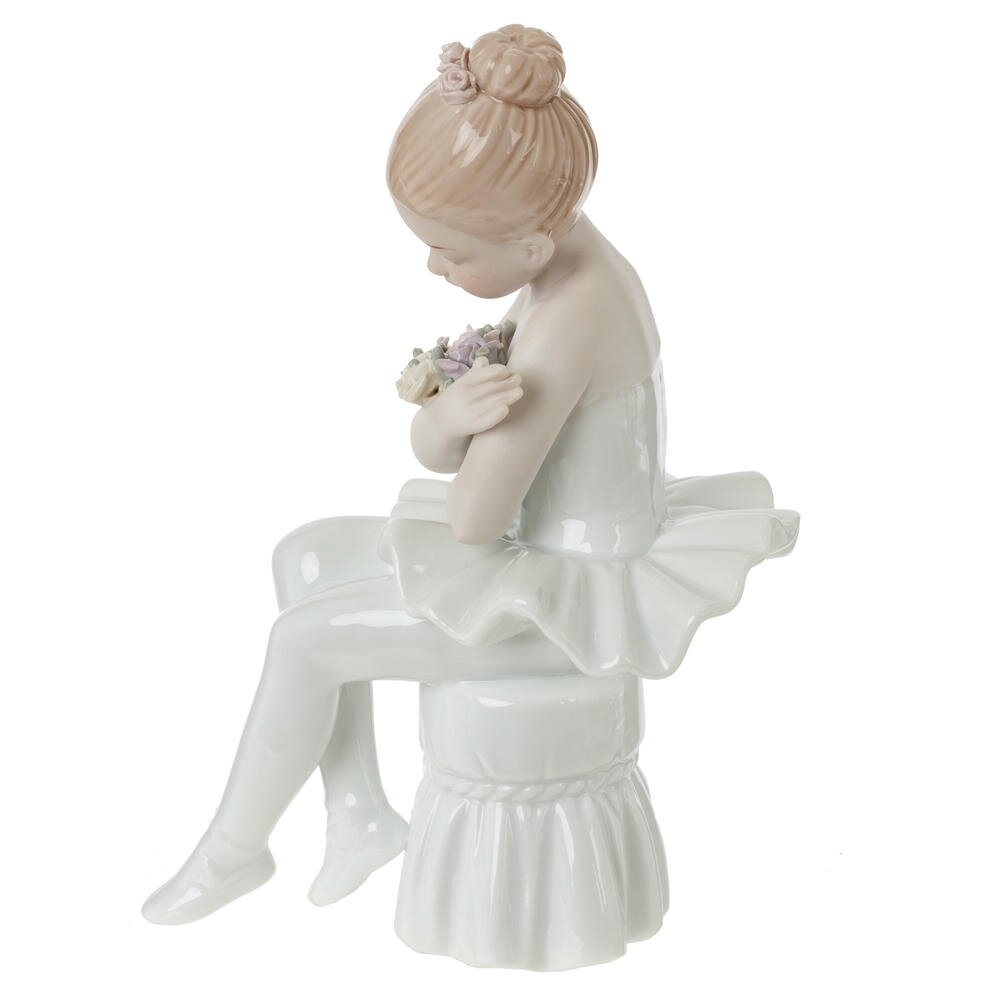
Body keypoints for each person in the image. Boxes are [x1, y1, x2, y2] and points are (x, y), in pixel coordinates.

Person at [142, 23, 798, 926]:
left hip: (571, 599)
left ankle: (235, 849)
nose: (433, 265)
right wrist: (445, 424)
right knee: (307, 556)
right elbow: (453, 463)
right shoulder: (573, 263)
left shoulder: (567, 321)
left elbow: (475, 519)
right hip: (543, 550)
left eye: (453, 253)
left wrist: (445, 422)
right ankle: (358, 813)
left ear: (530, 246)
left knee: (304, 642)